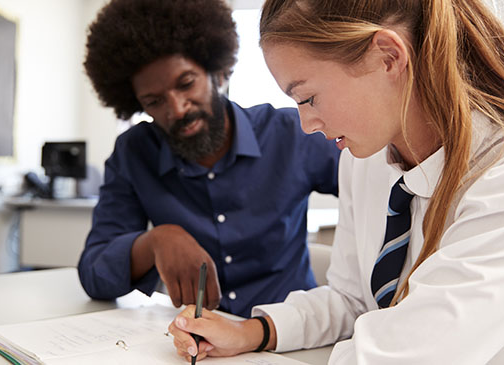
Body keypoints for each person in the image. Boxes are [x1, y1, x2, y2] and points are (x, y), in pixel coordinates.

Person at [168, 0, 504, 363]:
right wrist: (254, 331)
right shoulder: (366, 158)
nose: (305, 124)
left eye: (308, 97)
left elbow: (415, 350)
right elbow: (355, 301)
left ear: (388, 57)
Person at [78, 0, 340, 319]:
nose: (176, 109)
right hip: (194, 343)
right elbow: (94, 274)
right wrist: (155, 242)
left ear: (217, 71)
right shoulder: (134, 154)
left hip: (291, 337)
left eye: (186, 83)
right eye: (154, 101)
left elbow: (383, 190)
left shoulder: (292, 133)